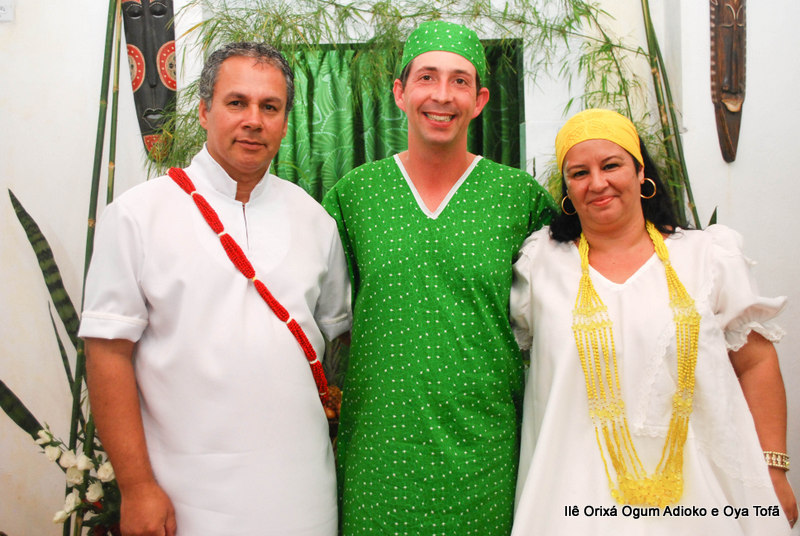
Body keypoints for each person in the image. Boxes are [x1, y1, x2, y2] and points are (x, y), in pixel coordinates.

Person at [79, 42, 351, 536]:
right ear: (205, 111)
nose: (254, 120)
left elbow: (341, 338)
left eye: (270, 107)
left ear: (284, 122)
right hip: (186, 497)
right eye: (236, 102)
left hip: (303, 495)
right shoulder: (138, 215)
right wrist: (137, 488)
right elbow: (107, 354)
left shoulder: (315, 221)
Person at [510, 108, 797, 534]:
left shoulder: (706, 256)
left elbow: (755, 362)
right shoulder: (540, 265)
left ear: (641, 172)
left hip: (704, 498)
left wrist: (773, 468)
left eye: (611, 165)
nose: (597, 183)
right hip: (571, 499)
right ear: (567, 190)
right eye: (579, 173)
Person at [322, 20, 556, 535]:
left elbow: (567, 309)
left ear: (480, 100)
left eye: (460, 81)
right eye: (427, 77)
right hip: (380, 451)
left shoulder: (519, 198)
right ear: (400, 92)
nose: (442, 95)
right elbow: (323, 314)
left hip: (486, 451)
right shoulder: (355, 196)